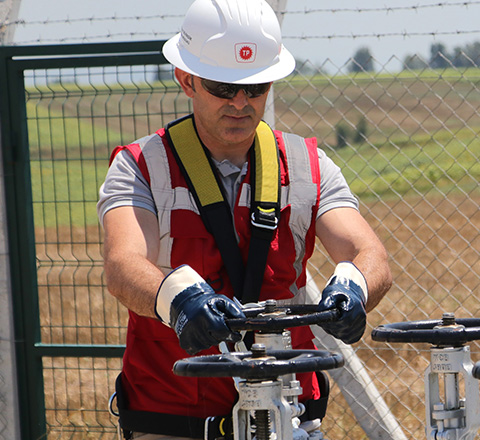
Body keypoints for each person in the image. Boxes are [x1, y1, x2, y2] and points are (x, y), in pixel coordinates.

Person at [97, 0, 392, 438]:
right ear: (186, 80)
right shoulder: (140, 166)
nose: (240, 102)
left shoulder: (309, 165)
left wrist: (355, 286)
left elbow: (368, 253)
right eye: (222, 87)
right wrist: (176, 301)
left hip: (289, 415)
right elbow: (122, 267)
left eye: (255, 88)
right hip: (173, 420)